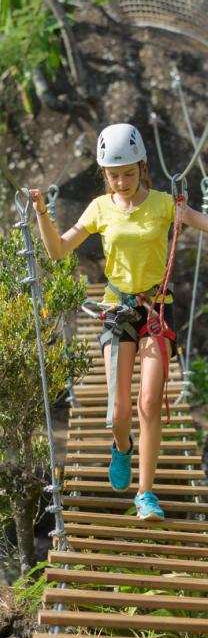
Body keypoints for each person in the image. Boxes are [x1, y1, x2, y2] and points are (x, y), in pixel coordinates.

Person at [30, 122, 208, 521]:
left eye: (129, 173)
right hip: (117, 309)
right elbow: (58, 250)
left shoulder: (164, 204)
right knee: (118, 412)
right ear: (105, 175)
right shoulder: (99, 208)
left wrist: (192, 208)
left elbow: (202, 222)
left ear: (142, 168)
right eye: (114, 176)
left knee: (149, 401)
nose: (122, 182)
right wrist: (42, 212)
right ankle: (121, 447)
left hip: (156, 309)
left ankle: (146, 494)